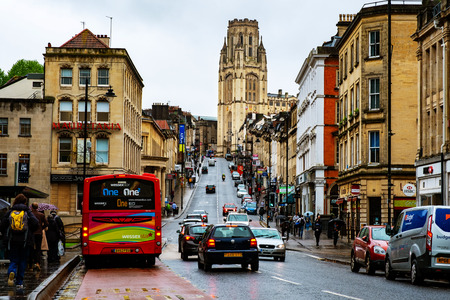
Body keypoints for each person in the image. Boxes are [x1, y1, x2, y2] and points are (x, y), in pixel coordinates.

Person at [0, 194, 38, 289]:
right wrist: (30, 231)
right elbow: (35, 223)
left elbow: (2, 225)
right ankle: (19, 282)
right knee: (22, 261)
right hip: (25, 241)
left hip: (12, 240)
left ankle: (11, 272)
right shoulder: (27, 211)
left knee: (13, 259)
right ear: (25, 202)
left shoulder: (10, 211)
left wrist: (6, 233)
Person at [30, 202, 48, 271]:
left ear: (31, 207)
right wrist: (41, 227)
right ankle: (37, 263)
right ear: (37, 208)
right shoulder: (41, 215)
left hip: (31, 233)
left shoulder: (30, 214)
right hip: (39, 233)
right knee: (38, 248)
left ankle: (31, 264)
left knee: (31, 248)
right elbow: (46, 223)